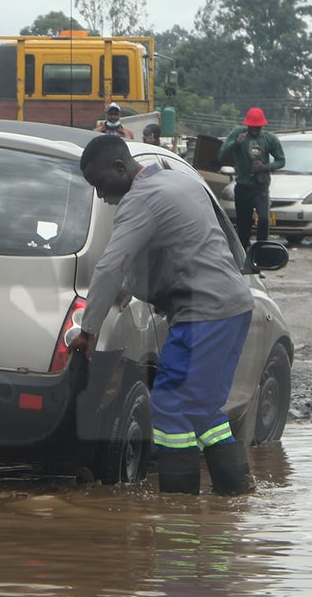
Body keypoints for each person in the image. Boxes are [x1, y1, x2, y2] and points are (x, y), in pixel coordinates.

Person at [68, 133, 256, 495]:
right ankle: (234, 501)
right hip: (233, 306)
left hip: (203, 314)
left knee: (170, 403)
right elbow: (212, 240)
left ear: (121, 168)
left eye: (101, 182)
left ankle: (178, 511)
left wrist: (88, 331)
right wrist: (130, 289)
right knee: (203, 408)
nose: (100, 194)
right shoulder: (178, 180)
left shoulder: (141, 200)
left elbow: (109, 266)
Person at [218, 106, 285, 246]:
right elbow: (221, 154)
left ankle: (261, 251)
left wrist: (265, 167)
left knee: (264, 220)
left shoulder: (269, 138)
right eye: (251, 127)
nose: (254, 130)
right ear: (247, 125)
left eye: (257, 127)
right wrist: (235, 143)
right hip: (243, 187)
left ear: (262, 126)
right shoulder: (238, 133)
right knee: (243, 225)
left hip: (261, 187)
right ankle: (244, 254)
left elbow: (281, 161)